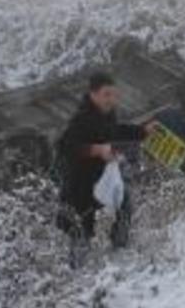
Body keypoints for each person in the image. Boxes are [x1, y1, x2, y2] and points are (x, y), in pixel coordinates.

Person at [55, 72, 155, 255]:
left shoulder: (107, 115)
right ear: (93, 94)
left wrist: (142, 131)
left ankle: (119, 249)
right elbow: (65, 147)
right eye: (106, 94)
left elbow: (115, 131)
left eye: (114, 95)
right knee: (81, 232)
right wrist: (97, 150)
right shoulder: (82, 119)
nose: (112, 100)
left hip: (101, 179)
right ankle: (77, 272)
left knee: (124, 203)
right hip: (80, 185)